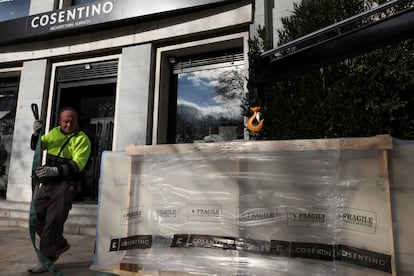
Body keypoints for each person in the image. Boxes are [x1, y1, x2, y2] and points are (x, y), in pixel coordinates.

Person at [28, 107, 91, 273]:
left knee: (53, 222)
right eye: (65, 121)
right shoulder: (54, 133)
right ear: (59, 121)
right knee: (37, 216)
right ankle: (59, 244)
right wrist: (36, 134)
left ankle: (46, 259)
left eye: (72, 121)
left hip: (65, 185)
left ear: (77, 121)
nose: (69, 124)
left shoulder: (82, 139)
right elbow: (37, 147)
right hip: (47, 184)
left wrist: (56, 170)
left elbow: (78, 164)